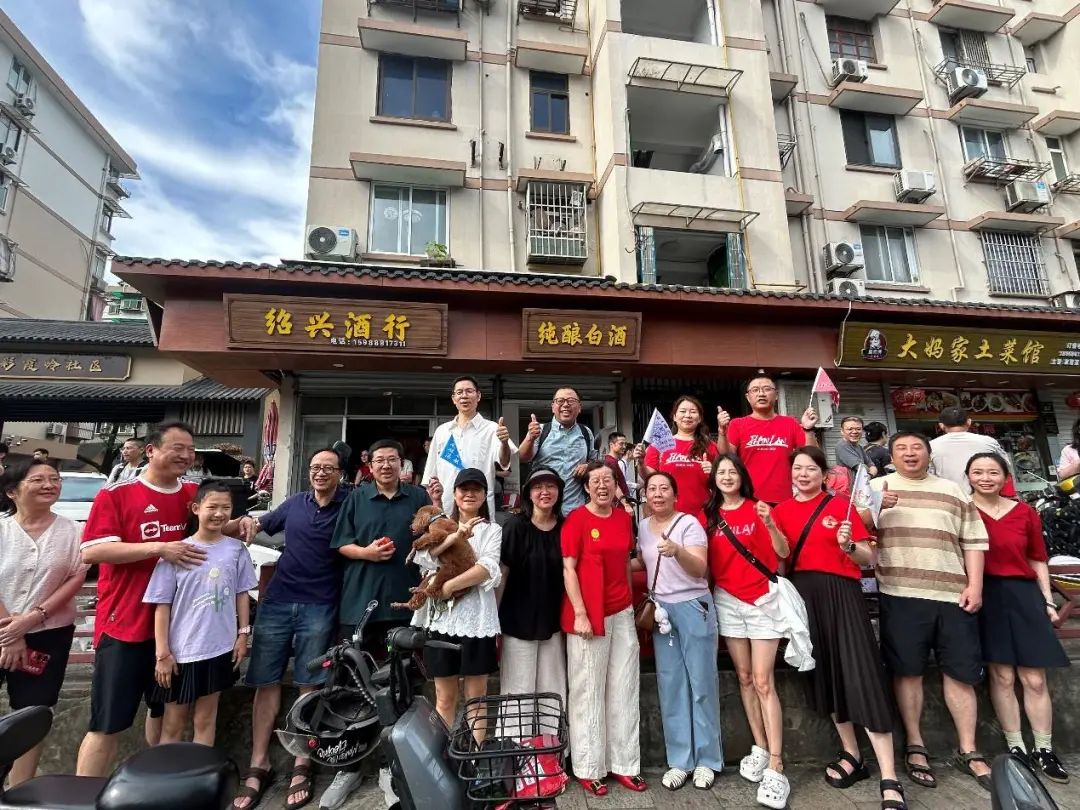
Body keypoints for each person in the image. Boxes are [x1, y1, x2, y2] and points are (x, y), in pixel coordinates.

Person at [76, 420, 255, 777]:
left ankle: (155, 783)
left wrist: (241, 522)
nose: (186, 455)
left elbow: (211, 528)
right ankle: (80, 795)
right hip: (127, 626)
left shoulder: (191, 493)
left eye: (190, 449)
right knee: (107, 722)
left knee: (161, 712)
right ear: (151, 450)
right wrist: (159, 548)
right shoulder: (117, 494)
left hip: (183, 635)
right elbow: (91, 552)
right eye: (177, 448)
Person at [771, 448, 904, 810]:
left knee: (862, 674)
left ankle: (889, 776)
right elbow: (781, 561)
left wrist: (848, 545)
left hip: (842, 594)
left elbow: (866, 557)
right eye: (797, 469)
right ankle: (852, 754)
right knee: (825, 675)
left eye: (810, 469)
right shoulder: (780, 512)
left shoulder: (841, 506)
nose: (803, 474)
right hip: (804, 597)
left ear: (824, 474)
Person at [865, 432, 991, 792]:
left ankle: (969, 749)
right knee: (907, 672)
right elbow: (857, 532)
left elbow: (973, 541)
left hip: (953, 594)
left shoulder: (952, 490)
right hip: (900, 593)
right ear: (891, 456)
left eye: (916, 448)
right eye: (901, 449)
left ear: (928, 453)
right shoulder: (877, 487)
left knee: (961, 673)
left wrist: (975, 586)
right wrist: (876, 508)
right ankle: (915, 744)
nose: (909, 454)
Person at [234, 448, 348, 810]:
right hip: (278, 601)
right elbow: (256, 525)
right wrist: (227, 522)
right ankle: (259, 763)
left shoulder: (349, 504)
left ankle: (302, 760)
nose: (320, 473)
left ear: (340, 474)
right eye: (315, 467)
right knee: (265, 680)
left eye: (328, 468)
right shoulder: (295, 503)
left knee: (308, 683)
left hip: (321, 603)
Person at [967, 452, 1069, 784]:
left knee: (1034, 678)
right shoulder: (964, 511)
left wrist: (1047, 600)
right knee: (1002, 677)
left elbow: (1037, 558)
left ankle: (1044, 748)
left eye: (993, 472)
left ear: (1005, 476)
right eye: (978, 472)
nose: (986, 478)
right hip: (986, 595)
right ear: (968, 477)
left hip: (1024, 595)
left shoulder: (1025, 512)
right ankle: (1016, 746)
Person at [704, 454, 791, 809]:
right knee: (743, 677)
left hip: (762, 600)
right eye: (721, 472)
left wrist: (770, 524)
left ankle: (776, 763)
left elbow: (783, 552)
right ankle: (760, 746)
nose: (727, 477)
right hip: (727, 600)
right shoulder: (709, 516)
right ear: (714, 479)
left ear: (742, 477)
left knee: (763, 680)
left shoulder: (760, 508)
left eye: (732, 472)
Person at [145, 480, 257, 747]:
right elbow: (162, 605)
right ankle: (168, 772)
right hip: (181, 652)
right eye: (212, 507)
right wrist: (163, 653)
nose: (219, 513)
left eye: (226, 508)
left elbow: (241, 593)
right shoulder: (176, 552)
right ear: (196, 508)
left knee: (206, 720)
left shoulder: (236, 550)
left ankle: (201, 770)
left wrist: (243, 635)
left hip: (219, 649)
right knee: (173, 723)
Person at [0, 460, 87, 785]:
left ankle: (19, 791)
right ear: (12, 491)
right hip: (2, 631)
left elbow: (76, 577)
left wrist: (33, 618)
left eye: (54, 479)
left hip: (50, 634)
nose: (50, 485)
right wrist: (12, 632)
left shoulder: (74, 531)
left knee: (32, 713)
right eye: (38, 480)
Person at [562, 462, 644, 796]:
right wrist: (580, 613)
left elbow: (625, 562)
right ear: (586, 487)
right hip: (589, 614)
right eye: (595, 480)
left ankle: (625, 763)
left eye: (607, 480)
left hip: (621, 611)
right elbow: (569, 569)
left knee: (625, 686)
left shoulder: (624, 519)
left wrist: (630, 604)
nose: (602, 485)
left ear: (616, 485)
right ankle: (588, 766)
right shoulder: (576, 520)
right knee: (588, 690)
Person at [635, 471, 721, 791]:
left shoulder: (689, 524)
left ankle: (707, 759)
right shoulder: (642, 526)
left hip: (693, 607)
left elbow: (700, 568)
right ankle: (680, 761)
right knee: (671, 685)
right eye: (652, 489)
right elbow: (643, 561)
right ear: (645, 495)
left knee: (702, 683)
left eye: (664, 488)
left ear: (675, 495)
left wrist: (678, 551)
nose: (657, 494)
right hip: (662, 611)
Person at [410, 468, 502, 731]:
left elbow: (487, 567)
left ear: (484, 495)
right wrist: (455, 537)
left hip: (477, 621)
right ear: (455, 493)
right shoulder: (439, 525)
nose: (469, 494)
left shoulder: (492, 529)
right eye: (464, 489)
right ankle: (443, 754)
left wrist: (449, 586)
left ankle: (474, 753)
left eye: (476, 489)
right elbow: (426, 560)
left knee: (477, 699)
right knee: (444, 698)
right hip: (441, 621)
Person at [334, 440, 433, 654]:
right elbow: (341, 543)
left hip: (406, 599)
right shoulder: (356, 498)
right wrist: (366, 553)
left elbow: (433, 537)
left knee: (405, 667)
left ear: (402, 464)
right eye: (379, 460)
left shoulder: (418, 497)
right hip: (361, 600)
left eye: (392, 460)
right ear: (370, 466)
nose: (386, 465)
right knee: (357, 667)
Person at [497, 466, 566, 702]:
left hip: (553, 621)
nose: (545, 492)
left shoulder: (565, 527)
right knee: (518, 691)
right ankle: (516, 730)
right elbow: (502, 572)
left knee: (553, 690)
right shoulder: (516, 526)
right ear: (528, 493)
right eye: (538, 487)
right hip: (518, 620)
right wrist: (494, 618)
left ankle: (553, 729)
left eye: (550, 486)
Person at [716, 374, 818, 505]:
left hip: (783, 500)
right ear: (748, 397)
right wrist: (722, 432)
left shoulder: (790, 423)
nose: (761, 394)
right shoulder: (737, 424)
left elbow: (811, 455)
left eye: (767, 389)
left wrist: (808, 430)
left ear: (776, 395)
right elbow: (726, 456)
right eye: (755, 390)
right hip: (748, 499)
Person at [422, 375, 514, 517]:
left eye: (469, 391)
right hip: (447, 509)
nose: (464, 396)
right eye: (459, 392)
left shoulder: (491, 429)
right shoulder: (442, 431)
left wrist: (504, 442)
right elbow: (431, 476)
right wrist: (435, 506)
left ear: (478, 396)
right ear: (454, 399)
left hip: (480, 509)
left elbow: (504, 462)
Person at [519, 387, 597, 516]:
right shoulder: (540, 430)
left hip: (575, 510)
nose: (565, 404)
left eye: (571, 400)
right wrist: (530, 438)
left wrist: (588, 466)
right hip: (544, 511)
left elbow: (594, 461)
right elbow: (522, 457)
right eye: (560, 400)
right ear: (553, 407)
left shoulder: (586, 432)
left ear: (579, 407)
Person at [642, 396, 719, 524]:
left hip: (703, 515)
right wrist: (640, 463)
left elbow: (722, 480)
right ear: (674, 416)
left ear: (699, 418)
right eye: (683, 411)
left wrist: (713, 471)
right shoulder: (659, 445)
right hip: (667, 515)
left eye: (693, 412)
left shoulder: (710, 446)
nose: (687, 415)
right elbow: (649, 477)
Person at [930, 407, 1015, 496]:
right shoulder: (988, 442)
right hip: (984, 497)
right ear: (969, 422)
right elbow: (1006, 467)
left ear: (941, 425)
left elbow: (929, 475)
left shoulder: (931, 446)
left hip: (948, 498)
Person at [602, 432, 633, 503]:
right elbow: (614, 485)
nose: (624, 447)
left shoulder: (614, 461)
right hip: (617, 503)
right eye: (621, 444)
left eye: (625, 444)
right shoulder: (610, 462)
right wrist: (625, 504)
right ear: (611, 445)